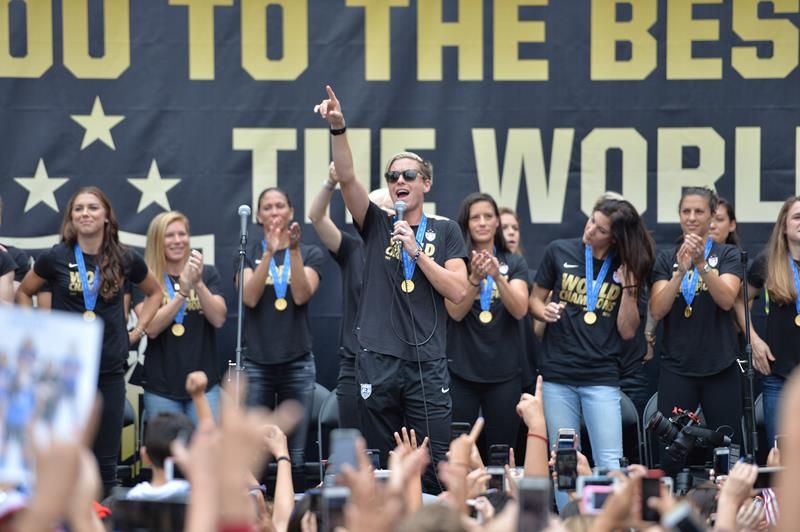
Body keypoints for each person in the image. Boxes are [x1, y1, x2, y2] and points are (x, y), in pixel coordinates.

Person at [315, 85, 468, 493]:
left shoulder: (446, 231)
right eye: (393, 176)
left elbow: (457, 291)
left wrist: (417, 252)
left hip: (427, 361)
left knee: (431, 463)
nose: (399, 180)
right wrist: (338, 128)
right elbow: (347, 177)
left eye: (408, 175)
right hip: (378, 359)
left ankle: (428, 518)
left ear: (426, 184)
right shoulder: (376, 224)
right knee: (379, 464)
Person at [15, 186, 162, 495]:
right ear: (71, 217)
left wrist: (138, 331)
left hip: (109, 371)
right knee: (62, 456)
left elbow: (155, 292)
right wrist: (40, 335)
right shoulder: (56, 256)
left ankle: (101, 514)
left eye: (93, 207)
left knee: (105, 462)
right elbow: (24, 292)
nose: (86, 213)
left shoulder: (124, 257)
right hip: (65, 373)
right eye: (79, 208)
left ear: (106, 216)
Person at [530, 196, 655, 479]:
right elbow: (534, 300)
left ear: (615, 238)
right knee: (563, 460)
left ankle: (611, 509)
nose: (590, 230)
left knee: (610, 460)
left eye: (601, 229)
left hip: (601, 376)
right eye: (591, 221)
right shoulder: (559, 250)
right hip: (558, 373)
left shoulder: (628, 266)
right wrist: (544, 310)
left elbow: (627, 330)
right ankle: (569, 509)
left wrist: (629, 289)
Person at [649, 187, 743, 472]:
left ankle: (727, 500)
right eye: (685, 211)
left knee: (726, 450)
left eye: (699, 211)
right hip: (677, 367)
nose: (691, 217)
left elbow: (727, 300)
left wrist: (701, 265)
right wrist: (679, 272)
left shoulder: (728, 254)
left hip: (721, 366)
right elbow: (657, 310)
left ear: (712, 215)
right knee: (672, 451)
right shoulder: (666, 258)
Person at [240, 186, 324, 469]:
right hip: (256, 364)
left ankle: (293, 498)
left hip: (297, 364)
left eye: (280, 206)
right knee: (254, 454)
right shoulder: (247, 252)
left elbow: (301, 295)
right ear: (259, 216)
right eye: (267, 207)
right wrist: (268, 254)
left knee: (295, 454)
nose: (274, 212)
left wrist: (294, 251)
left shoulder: (309, 252)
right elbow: (249, 298)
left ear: (291, 212)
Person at [445, 193, 528, 457]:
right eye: (475, 217)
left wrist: (497, 278)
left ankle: (502, 488)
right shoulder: (456, 262)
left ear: (497, 222)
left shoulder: (513, 262)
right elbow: (455, 313)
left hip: (504, 373)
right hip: (461, 371)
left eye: (488, 216)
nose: (482, 222)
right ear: (466, 223)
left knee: (502, 452)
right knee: (459, 452)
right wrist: (473, 279)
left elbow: (520, 309)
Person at [133, 211, 227, 423]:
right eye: (169, 235)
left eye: (182, 234)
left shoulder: (208, 273)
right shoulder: (145, 279)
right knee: (167, 445)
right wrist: (182, 293)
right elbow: (151, 328)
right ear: (157, 240)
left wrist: (198, 283)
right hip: (161, 389)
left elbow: (219, 319)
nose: (177, 241)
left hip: (204, 384)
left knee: (206, 443)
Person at [738, 196, 800, 445]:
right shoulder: (769, 262)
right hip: (778, 375)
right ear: (783, 226)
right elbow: (739, 301)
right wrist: (754, 340)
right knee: (781, 452)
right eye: (797, 217)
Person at [307, 163, 365, 431]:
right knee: (350, 440)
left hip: (393, 362)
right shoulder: (353, 248)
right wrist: (331, 183)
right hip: (354, 360)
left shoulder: (409, 253)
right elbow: (316, 217)